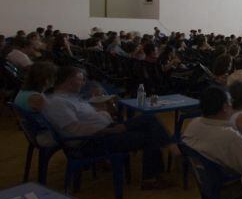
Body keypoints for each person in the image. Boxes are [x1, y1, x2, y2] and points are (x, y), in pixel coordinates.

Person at [42, 66, 175, 189]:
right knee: (148, 133)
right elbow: (76, 130)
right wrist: (111, 129)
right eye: (81, 80)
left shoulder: (68, 98)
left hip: (103, 133)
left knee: (149, 119)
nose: (83, 83)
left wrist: (104, 111)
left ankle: (167, 150)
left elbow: (86, 118)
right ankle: (157, 169)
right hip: (91, 142)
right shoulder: (58, 103)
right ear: (69, 81)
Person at [182, 86, 242, 175]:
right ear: (225, 107)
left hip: (206, 175)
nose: (232, 106)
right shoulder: (231, 136)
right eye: (230, 102)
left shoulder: (194, 123)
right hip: (227, 176)